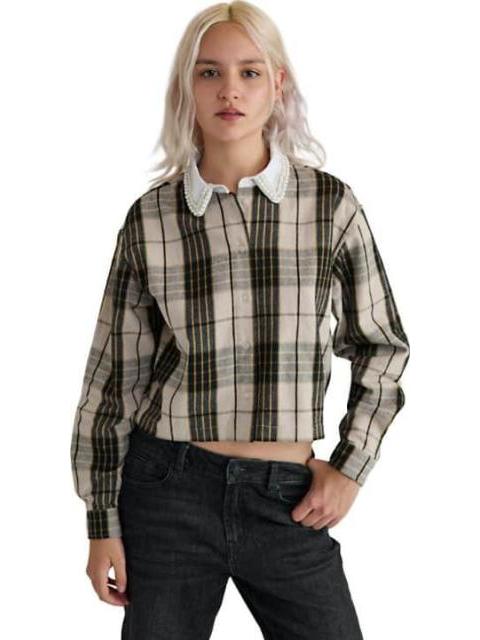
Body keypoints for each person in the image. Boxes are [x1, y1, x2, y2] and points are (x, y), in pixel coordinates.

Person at [70, 2, 410, 638]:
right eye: (210, 73)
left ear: (277, 83)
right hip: (167, 491)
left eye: (249, 72)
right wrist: (101, 523)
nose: (230, 90)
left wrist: (349, 467)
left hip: (288, 498)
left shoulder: (328, 206)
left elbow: (381, 346)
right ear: (187, 87)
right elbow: (113, 382)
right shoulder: (152, 219)